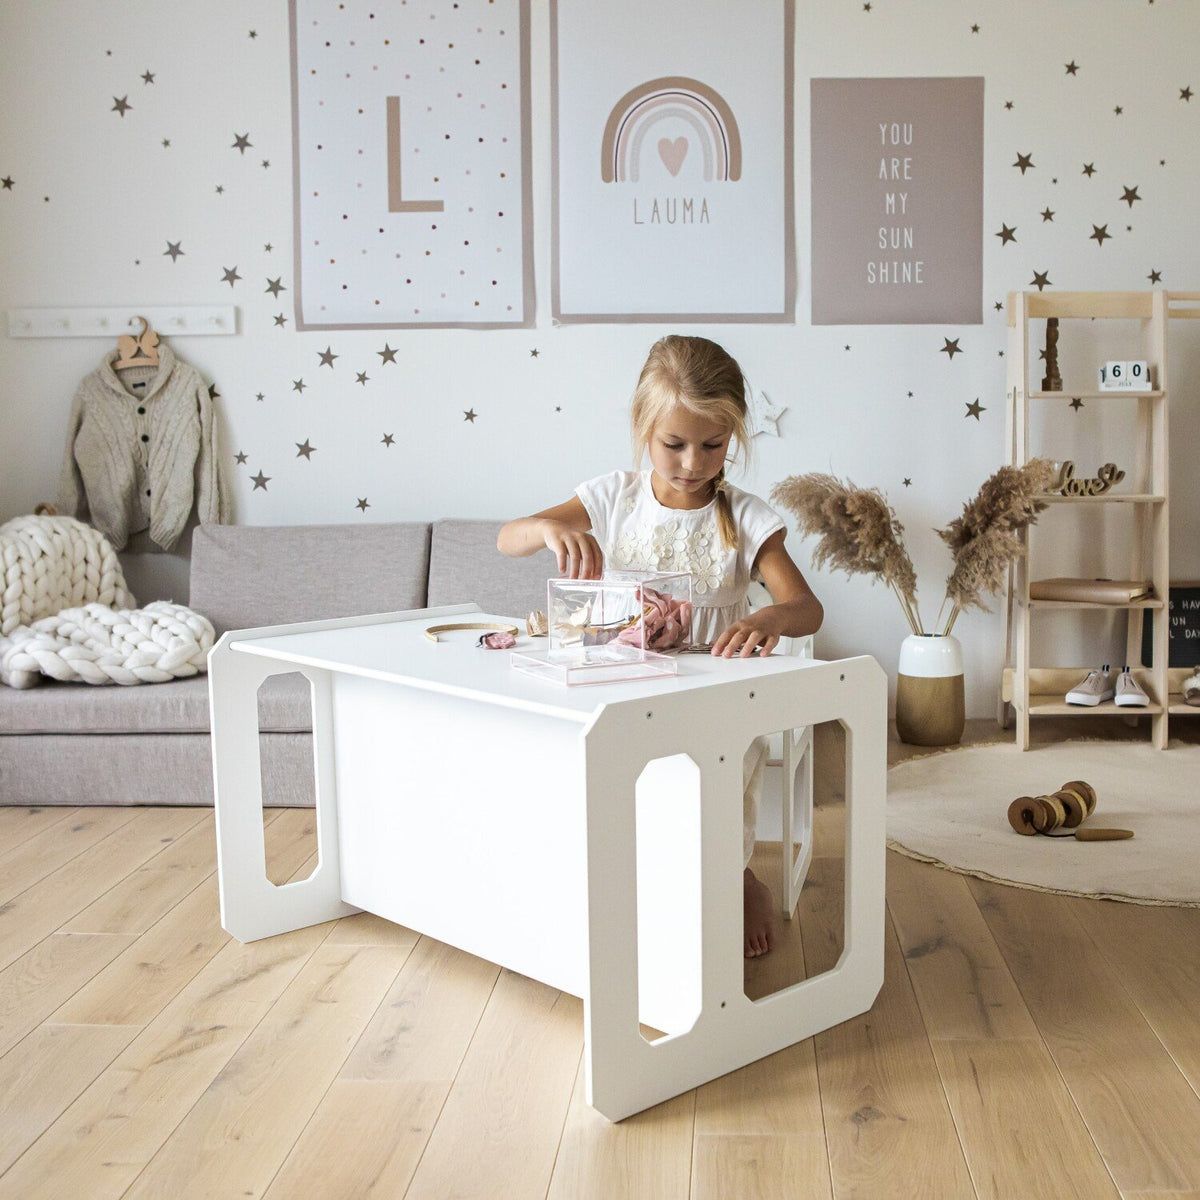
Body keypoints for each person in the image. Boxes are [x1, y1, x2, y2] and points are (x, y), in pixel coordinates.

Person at [498, 335, 823, 957]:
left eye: (713, 445)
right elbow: (507, 538)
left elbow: (808, 607)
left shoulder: (746, 516)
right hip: (626, 684)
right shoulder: (613, 497)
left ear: (735, 437)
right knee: (624, 794)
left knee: (718, 797)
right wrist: (545, 528)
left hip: (717, 694)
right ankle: (633, 898)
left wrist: (774, 618)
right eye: (673, 444)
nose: (693, 463)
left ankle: (737, 877)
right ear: (643, 430)